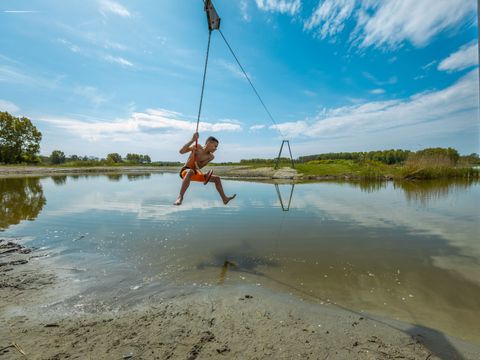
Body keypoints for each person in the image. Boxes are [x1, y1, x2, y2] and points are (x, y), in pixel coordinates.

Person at [174, 132, 236, 206]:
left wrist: (204, 173)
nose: (216, 149)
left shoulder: (211, 157)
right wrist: (192, 141)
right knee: (190, 171)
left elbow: (199, 167)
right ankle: (180, 197)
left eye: (216, 147)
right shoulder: (198, 146)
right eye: (215, 146)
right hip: (185, 171)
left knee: (217, 179)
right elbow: (181, 151)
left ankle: (224, 199)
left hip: (195, 172)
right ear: (209, 143)